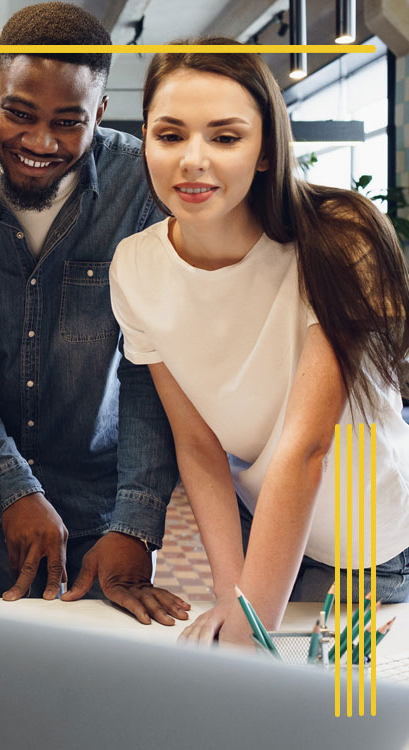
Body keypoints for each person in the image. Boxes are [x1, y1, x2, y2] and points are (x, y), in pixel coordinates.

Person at [110, 41, 409, 646]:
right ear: (145, 140)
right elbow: (196, 446)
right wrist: (230, 595)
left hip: (377, 548)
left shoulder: (338, 238)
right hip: (271, 540)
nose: (193, 161)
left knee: (346, 729)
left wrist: (249, 623)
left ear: (267, 147)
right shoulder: (134, 267)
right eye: (170, 136)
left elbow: (307, 446)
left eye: (225, 137)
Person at [0, 1, 189, 624]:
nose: (39, 142)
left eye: (68, 122)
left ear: (102, 113)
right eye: (19, 114)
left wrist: (136, 523)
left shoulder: (143, 185)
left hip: (106, 503)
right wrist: (11, 488)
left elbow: (150, 364)